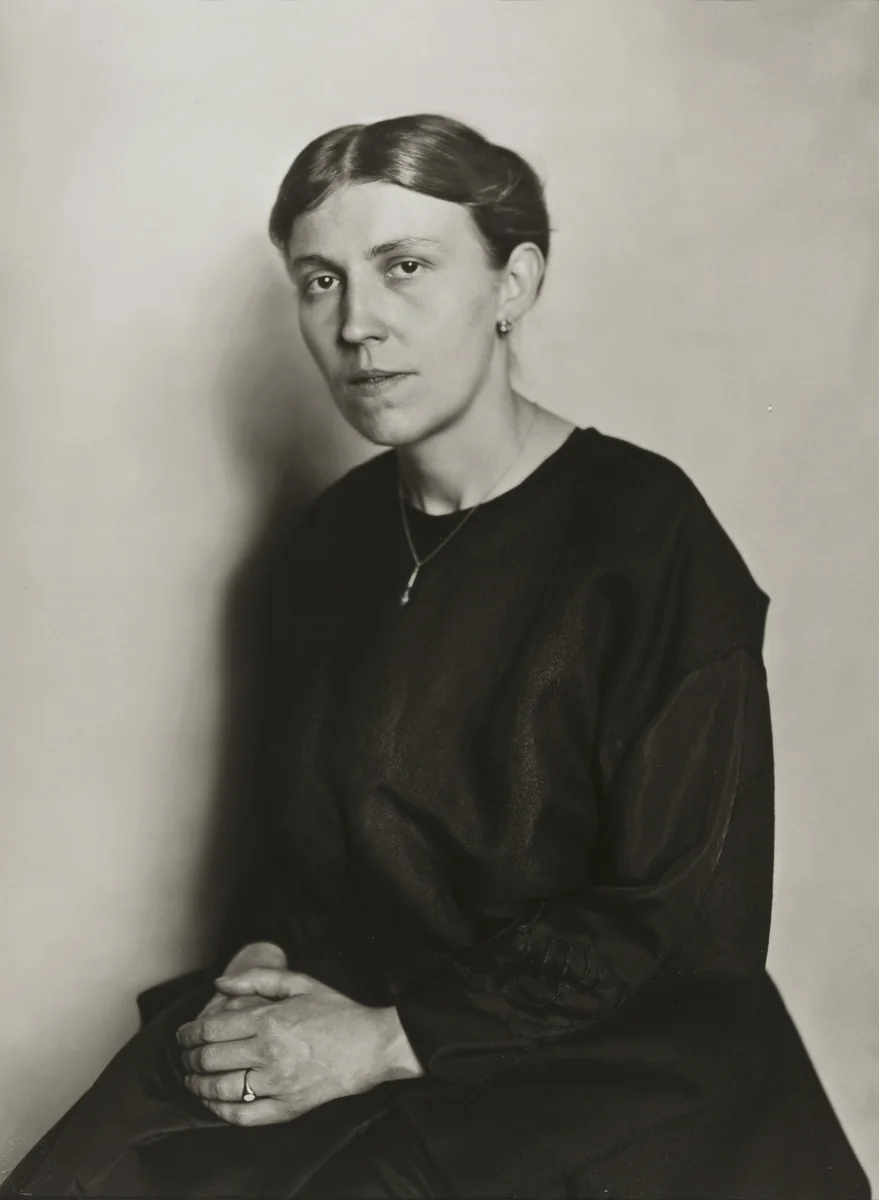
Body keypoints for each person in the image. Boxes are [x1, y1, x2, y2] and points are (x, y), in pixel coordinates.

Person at [2, 113, 870, 1200]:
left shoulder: (647, 535)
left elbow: (681, 919)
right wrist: (266, 959)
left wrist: (381, 1042)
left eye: (404, 267)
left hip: (607, 1063)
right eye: (319, 282)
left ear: (513, 284)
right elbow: (302, 846)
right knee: (83, 1175)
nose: (358, 323)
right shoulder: (328, 544)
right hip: (358, 1008)